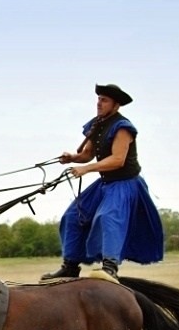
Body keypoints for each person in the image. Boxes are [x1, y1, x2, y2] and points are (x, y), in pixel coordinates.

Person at [41, 83, 164, 282]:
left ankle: (110, 267)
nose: (99, 103)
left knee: (108, 217)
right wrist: (72, 157)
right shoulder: (97, 124)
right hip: (105, 183)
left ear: (116, 105)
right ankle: (70, 266)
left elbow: (118, 160)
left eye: (104, 100)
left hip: (124, 184)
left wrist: (86, 169)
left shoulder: (122, 127)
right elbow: (87, 154)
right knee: (72, 216)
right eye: (98, 99)